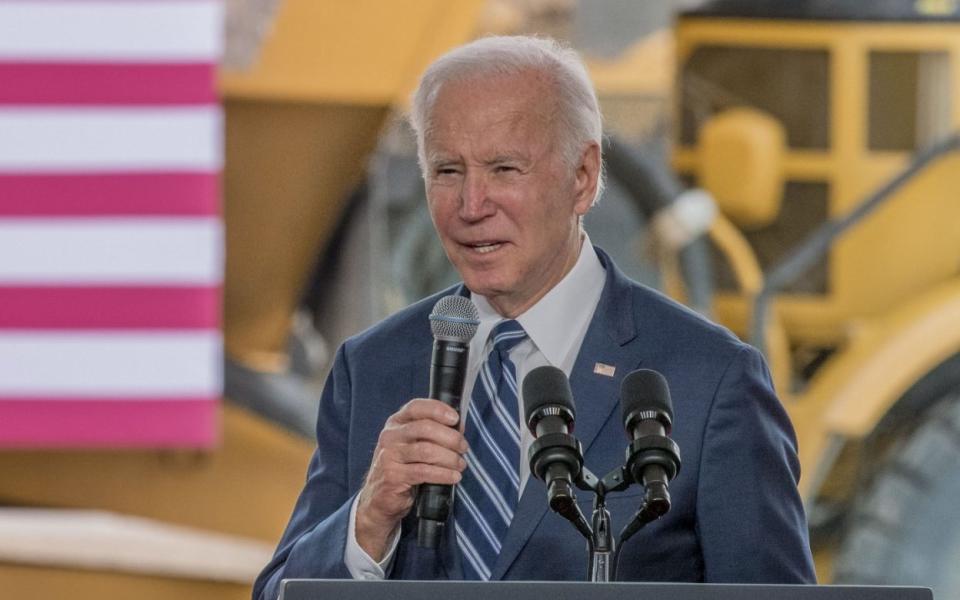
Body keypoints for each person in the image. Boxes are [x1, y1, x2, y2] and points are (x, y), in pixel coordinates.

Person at [252, 35, 816, 599]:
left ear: (583, 177)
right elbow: (279, 594)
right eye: (448, 171)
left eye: (504, 169)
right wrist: (367, 523)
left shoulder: (711, 380)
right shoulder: (373, 365)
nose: (472, 206)